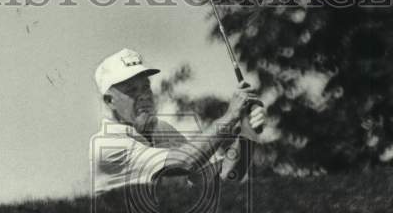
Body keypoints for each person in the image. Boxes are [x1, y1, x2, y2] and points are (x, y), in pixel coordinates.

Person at [90, 48, 265, 195]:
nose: (144, 96)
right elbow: (185, 161)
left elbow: (223, 178)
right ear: (110, 101)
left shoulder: (161, 129)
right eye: (132, 90)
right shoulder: (106, 144)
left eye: (146, 87)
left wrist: (247, 133)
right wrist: (231, 115)